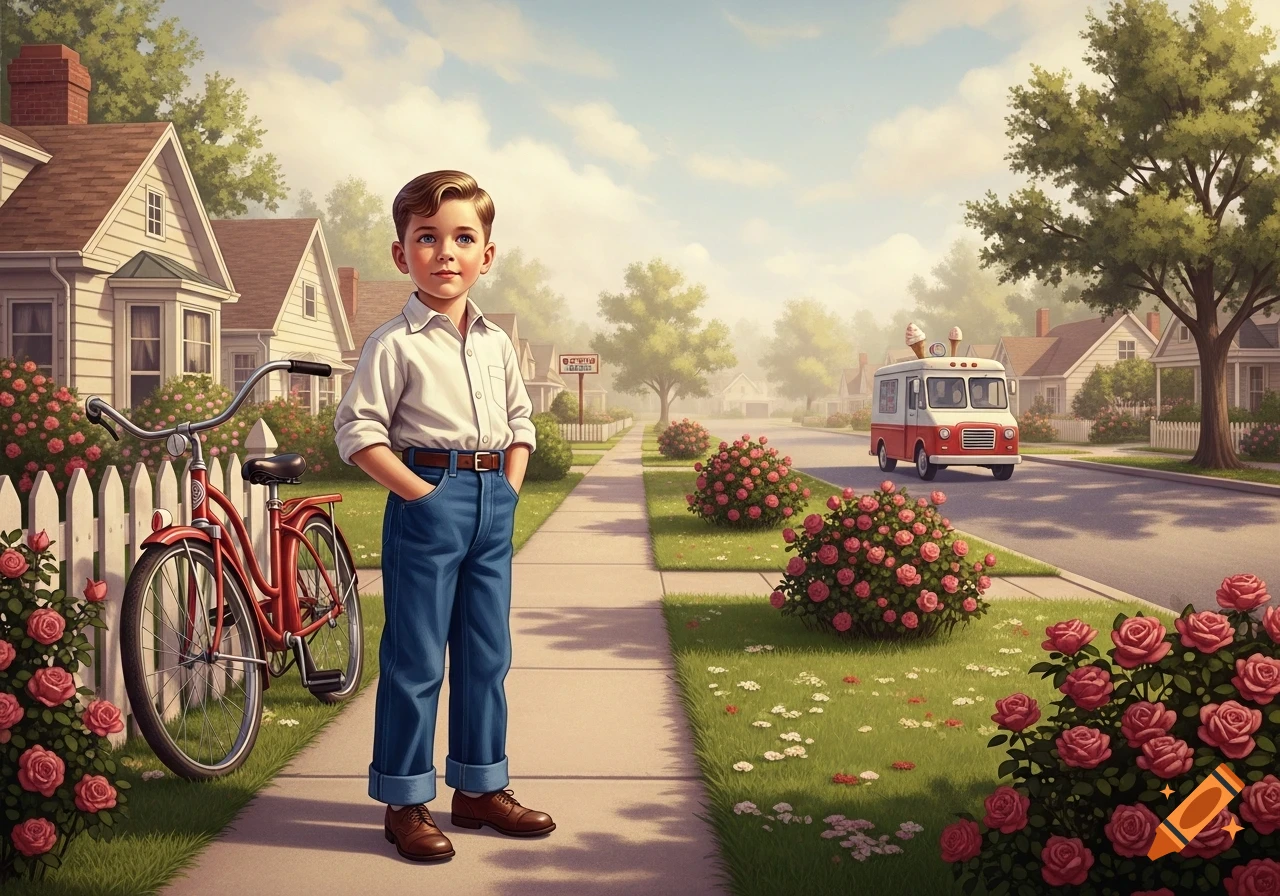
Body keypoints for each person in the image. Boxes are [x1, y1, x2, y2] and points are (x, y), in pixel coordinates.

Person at [334, 170, 554, 863]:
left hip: (493, 502)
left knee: (487, 655)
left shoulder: (496, 343)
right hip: (429, 497)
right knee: (417, 658)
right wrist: (420, 495)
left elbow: (521, 419)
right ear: (402, 254)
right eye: (427, 238)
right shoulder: (393, 344)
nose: (446, 252)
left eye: (464, 238)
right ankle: (404, 801)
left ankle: (480, 789)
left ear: (487, 255)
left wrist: (510, 488)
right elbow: (358, 432)